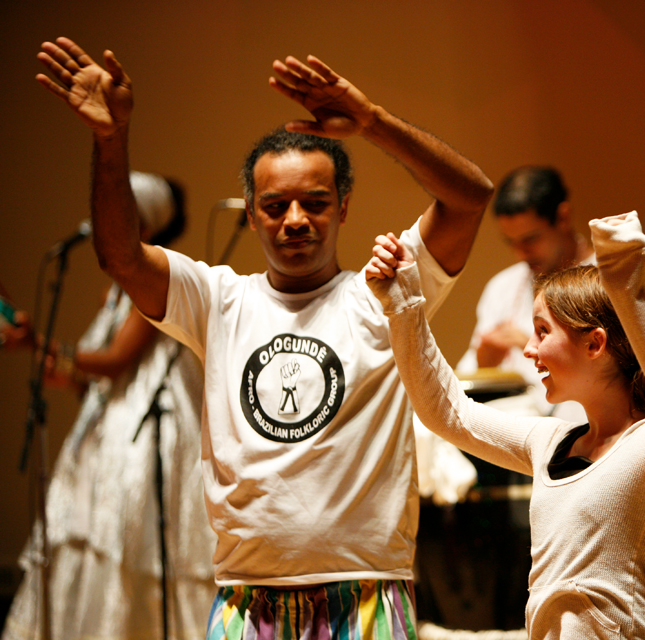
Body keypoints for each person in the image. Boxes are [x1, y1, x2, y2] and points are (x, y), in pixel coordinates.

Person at [35, 37, 493, 640]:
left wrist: (374, 123)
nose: (295, 219)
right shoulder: (219, 298)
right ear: (251, 214)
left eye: (315, 202)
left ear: (344, 208)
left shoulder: (387, 289)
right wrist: (110, 139)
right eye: (275, 205)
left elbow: (469, 199)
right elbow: (120, 256)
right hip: (248, 602)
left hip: (366, 593)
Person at [365, 211, 645, 640]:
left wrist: (628, 286)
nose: (529, 350)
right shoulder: (548, 443)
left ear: (595, 343)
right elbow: (448, 412)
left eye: (542, 331)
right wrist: (404, 303)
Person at [1, 172, 215, 640]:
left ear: (145, 226)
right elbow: (85, 377)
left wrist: (42, 340)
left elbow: (117, 361)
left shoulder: (157, 281)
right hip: (106, 433)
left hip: (144, 440)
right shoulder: (113, 294)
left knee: (132, 549)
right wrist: (32, 348)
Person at [457, 166, 594, 421]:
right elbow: (467, 382)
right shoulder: (502, 286)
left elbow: (615, 379)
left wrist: (528, 345)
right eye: (511, 242)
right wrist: (484, 363)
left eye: (531, 239)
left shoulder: (607, 282)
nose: (520, 254)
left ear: (562, 217)